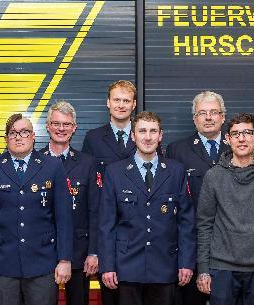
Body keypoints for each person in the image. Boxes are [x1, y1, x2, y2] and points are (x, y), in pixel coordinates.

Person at [0, 113, 73, 305]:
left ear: (34, 136)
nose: (18, 137)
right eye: (13, 133)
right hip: (2, 264)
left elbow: (64, 218)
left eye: (24, 132)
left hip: (42, 264)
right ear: (6, 138)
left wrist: (65, 259)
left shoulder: (52, 166)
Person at [99, 111, 196, 305]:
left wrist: (186, 263)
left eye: (153, 131)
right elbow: (106, 224)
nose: (148, 137)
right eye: (142, 131)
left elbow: (186, 222)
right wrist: (107, 266)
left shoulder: (176, 171)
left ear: (161, 136)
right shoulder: (114, 172)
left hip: (164, 266)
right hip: (127, 267)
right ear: (133, 136)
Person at [196, 113, 254, 305]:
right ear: (227, 139)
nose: (242, 138)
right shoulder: (213, 176)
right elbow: (204, 225)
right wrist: (203, 268)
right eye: (236, 134)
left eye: (247, 133)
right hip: (221, 269)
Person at [165, 91, 228, 305]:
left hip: (231, 245)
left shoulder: (238, 146)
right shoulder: (176, 150)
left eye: (213, 112)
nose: (208, 117)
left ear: (222, 117)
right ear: (194, 119)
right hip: (190, 243)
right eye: (202, 113)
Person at [80, 80, 138, 305]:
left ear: (134, 104)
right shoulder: (93, 138)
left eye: (126, 100)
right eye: (117, 100)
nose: (121, 105)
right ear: (108, 103)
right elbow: (87, 185)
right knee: (110, 293)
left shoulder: (144, 133)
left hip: (139, 225)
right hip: (107, 226)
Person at [37, 101, 100, 305]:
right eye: (56, 123)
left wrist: (93, 252)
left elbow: (95, 211)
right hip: (41, 252)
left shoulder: (87, 163)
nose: (61, 129)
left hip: (78, 253)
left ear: (74, 128)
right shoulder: (35, 161)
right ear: (47, 126)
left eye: (66, 124)